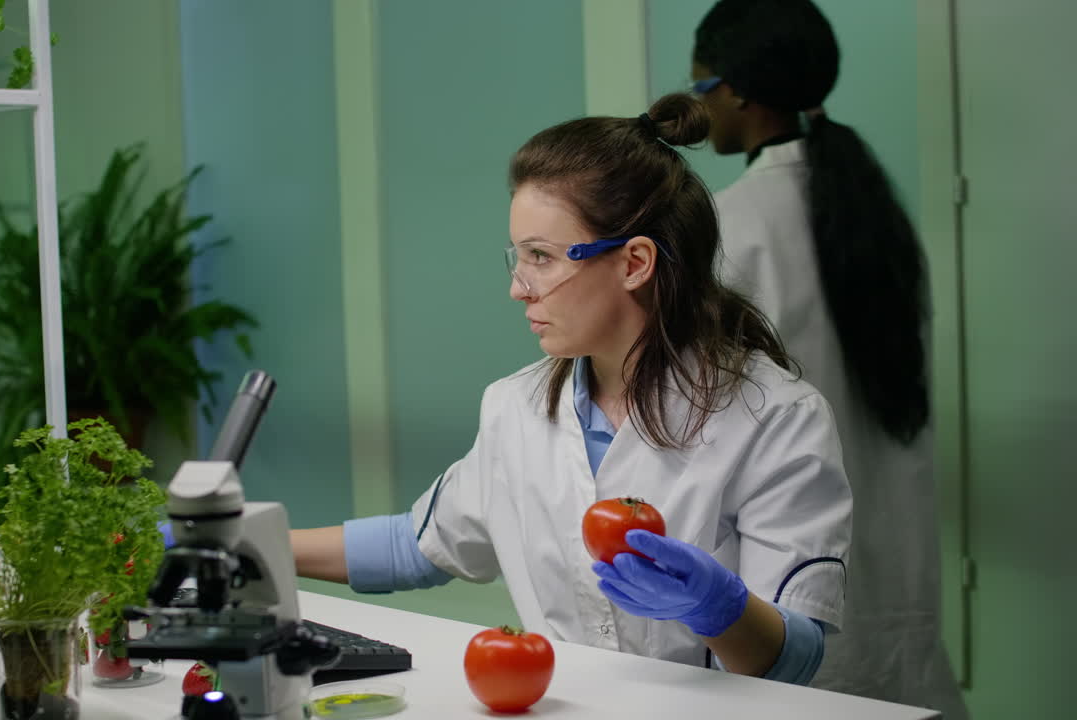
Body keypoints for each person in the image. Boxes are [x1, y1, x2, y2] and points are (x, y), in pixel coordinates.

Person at [293, 93, 852, 684]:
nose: (519, 288)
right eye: (519, 256)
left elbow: (795, 657)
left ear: (635, 262)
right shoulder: (516, 407)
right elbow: (418, 544)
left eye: (541, 257)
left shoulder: (777, 417)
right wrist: (244, 542)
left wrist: (720, 609)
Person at [689, 0, 967, 716]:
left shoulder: (727, 227)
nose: (702, 110)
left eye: (702, 90)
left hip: (788, 570)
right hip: (891, 566)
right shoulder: (879, 221)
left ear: (738, 92)